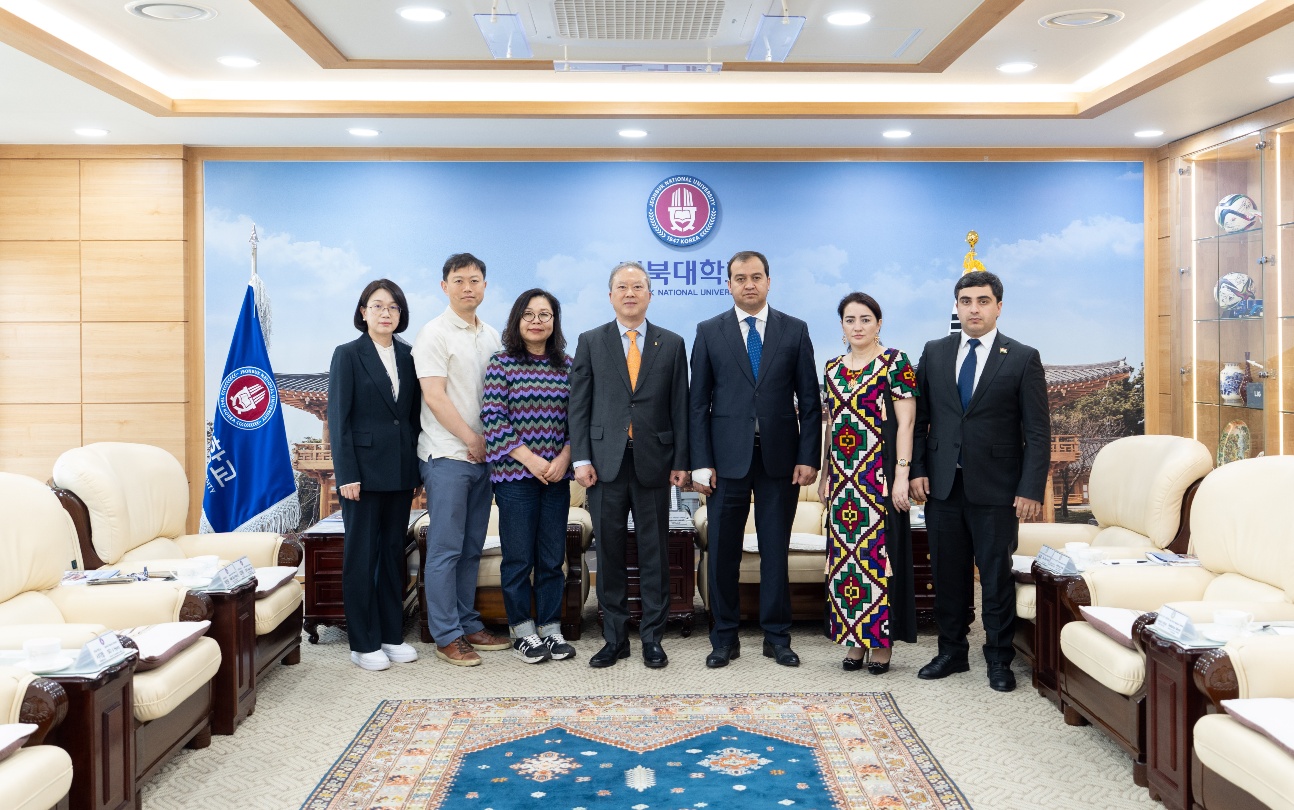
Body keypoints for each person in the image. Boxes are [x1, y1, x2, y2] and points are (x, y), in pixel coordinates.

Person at [910, 270, 1050, 692]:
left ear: (998, 307)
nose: (974, 308)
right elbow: (919, 420)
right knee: (948, 575)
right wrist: (916, 469)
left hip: (998, 490)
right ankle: (952, 652)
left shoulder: (1022, 357)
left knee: (995, 576)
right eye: (966, 301)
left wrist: (1029, 488)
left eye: (983, 301)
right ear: (956, 306)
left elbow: (1038, 432)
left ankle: (999, 658)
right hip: (942, 487)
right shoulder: (934, 352)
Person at [689, 250, 820, 669]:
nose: (749, 284)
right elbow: (697, 404)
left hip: (780, 459)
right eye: (740, 277)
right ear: (728, 284)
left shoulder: (794, 330)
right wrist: (701, 462)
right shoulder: (709, 331)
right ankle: (723, 637)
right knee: (723, 551)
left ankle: (777, 637)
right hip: (726, 461)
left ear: (768, 281)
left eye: (756, 277)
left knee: (774, 550)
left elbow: (811, 401)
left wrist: (809, 457)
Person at [569, 261, 690, 669]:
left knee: (654, 552)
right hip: (604, 466)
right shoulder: (591, 341)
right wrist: (581, 458)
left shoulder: (671, 343)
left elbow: (680, 407)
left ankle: (653, 639)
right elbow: (579, 406)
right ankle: (615, 638)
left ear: (650, 294)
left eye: (638, 286)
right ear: (611, 295)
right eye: (622, 287)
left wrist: (682, 462)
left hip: (655, 463)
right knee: (611, 552)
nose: (630, 293)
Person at [413, 252, 510, 667]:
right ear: (444, 287)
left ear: (485, 286)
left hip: (483, 457)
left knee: (472, 546)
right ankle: (446, 634)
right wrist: (472, 438)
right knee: (446, 548)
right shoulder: (433, 334)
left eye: (475, 280)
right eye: (459, 280)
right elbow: (434, 396)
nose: (467, 287)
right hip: (448, 456)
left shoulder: (491, 335)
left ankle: (468, 623)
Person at [819, 292, 918, 675]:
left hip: (879, 478)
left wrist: (902, 476)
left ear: (879, 323)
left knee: (879, 561)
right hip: (843, 481)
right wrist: (826, 478)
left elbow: (906, 423)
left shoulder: (897, 363)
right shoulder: (830, 368)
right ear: (841, 325)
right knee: (846, 562)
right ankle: (855, 642)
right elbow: (829, 426)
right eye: (849, 320)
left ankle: (882, 645)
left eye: (865, 319)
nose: (857, 326)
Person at [327, 279, 422, 672]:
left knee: (392, 557)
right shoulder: (347, 355)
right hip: (361, 475)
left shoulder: (410, 355)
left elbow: (413, 417)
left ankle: (390, 634)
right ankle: (362, 642)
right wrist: (346, 472)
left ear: (401, 315)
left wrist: (417, 468)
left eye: (394, 307)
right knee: (362, 556)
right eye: (378, 305)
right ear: (363, 311)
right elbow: (338, 418)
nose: (386, 313)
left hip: (400, 471)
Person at [480, 289, 577, 664]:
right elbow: (493, 419)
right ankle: (522, 630)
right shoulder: (502, 364)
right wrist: (532, 461)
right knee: (519, 557)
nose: (537, 321)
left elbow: (576, 422)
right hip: (515, 477)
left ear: (555, 322)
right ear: (517, 320)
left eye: (545, 315)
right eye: (530, 314)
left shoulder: (567, 366)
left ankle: (550, 628)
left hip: (557, 476)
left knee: (552, 558)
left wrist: (563, 458)